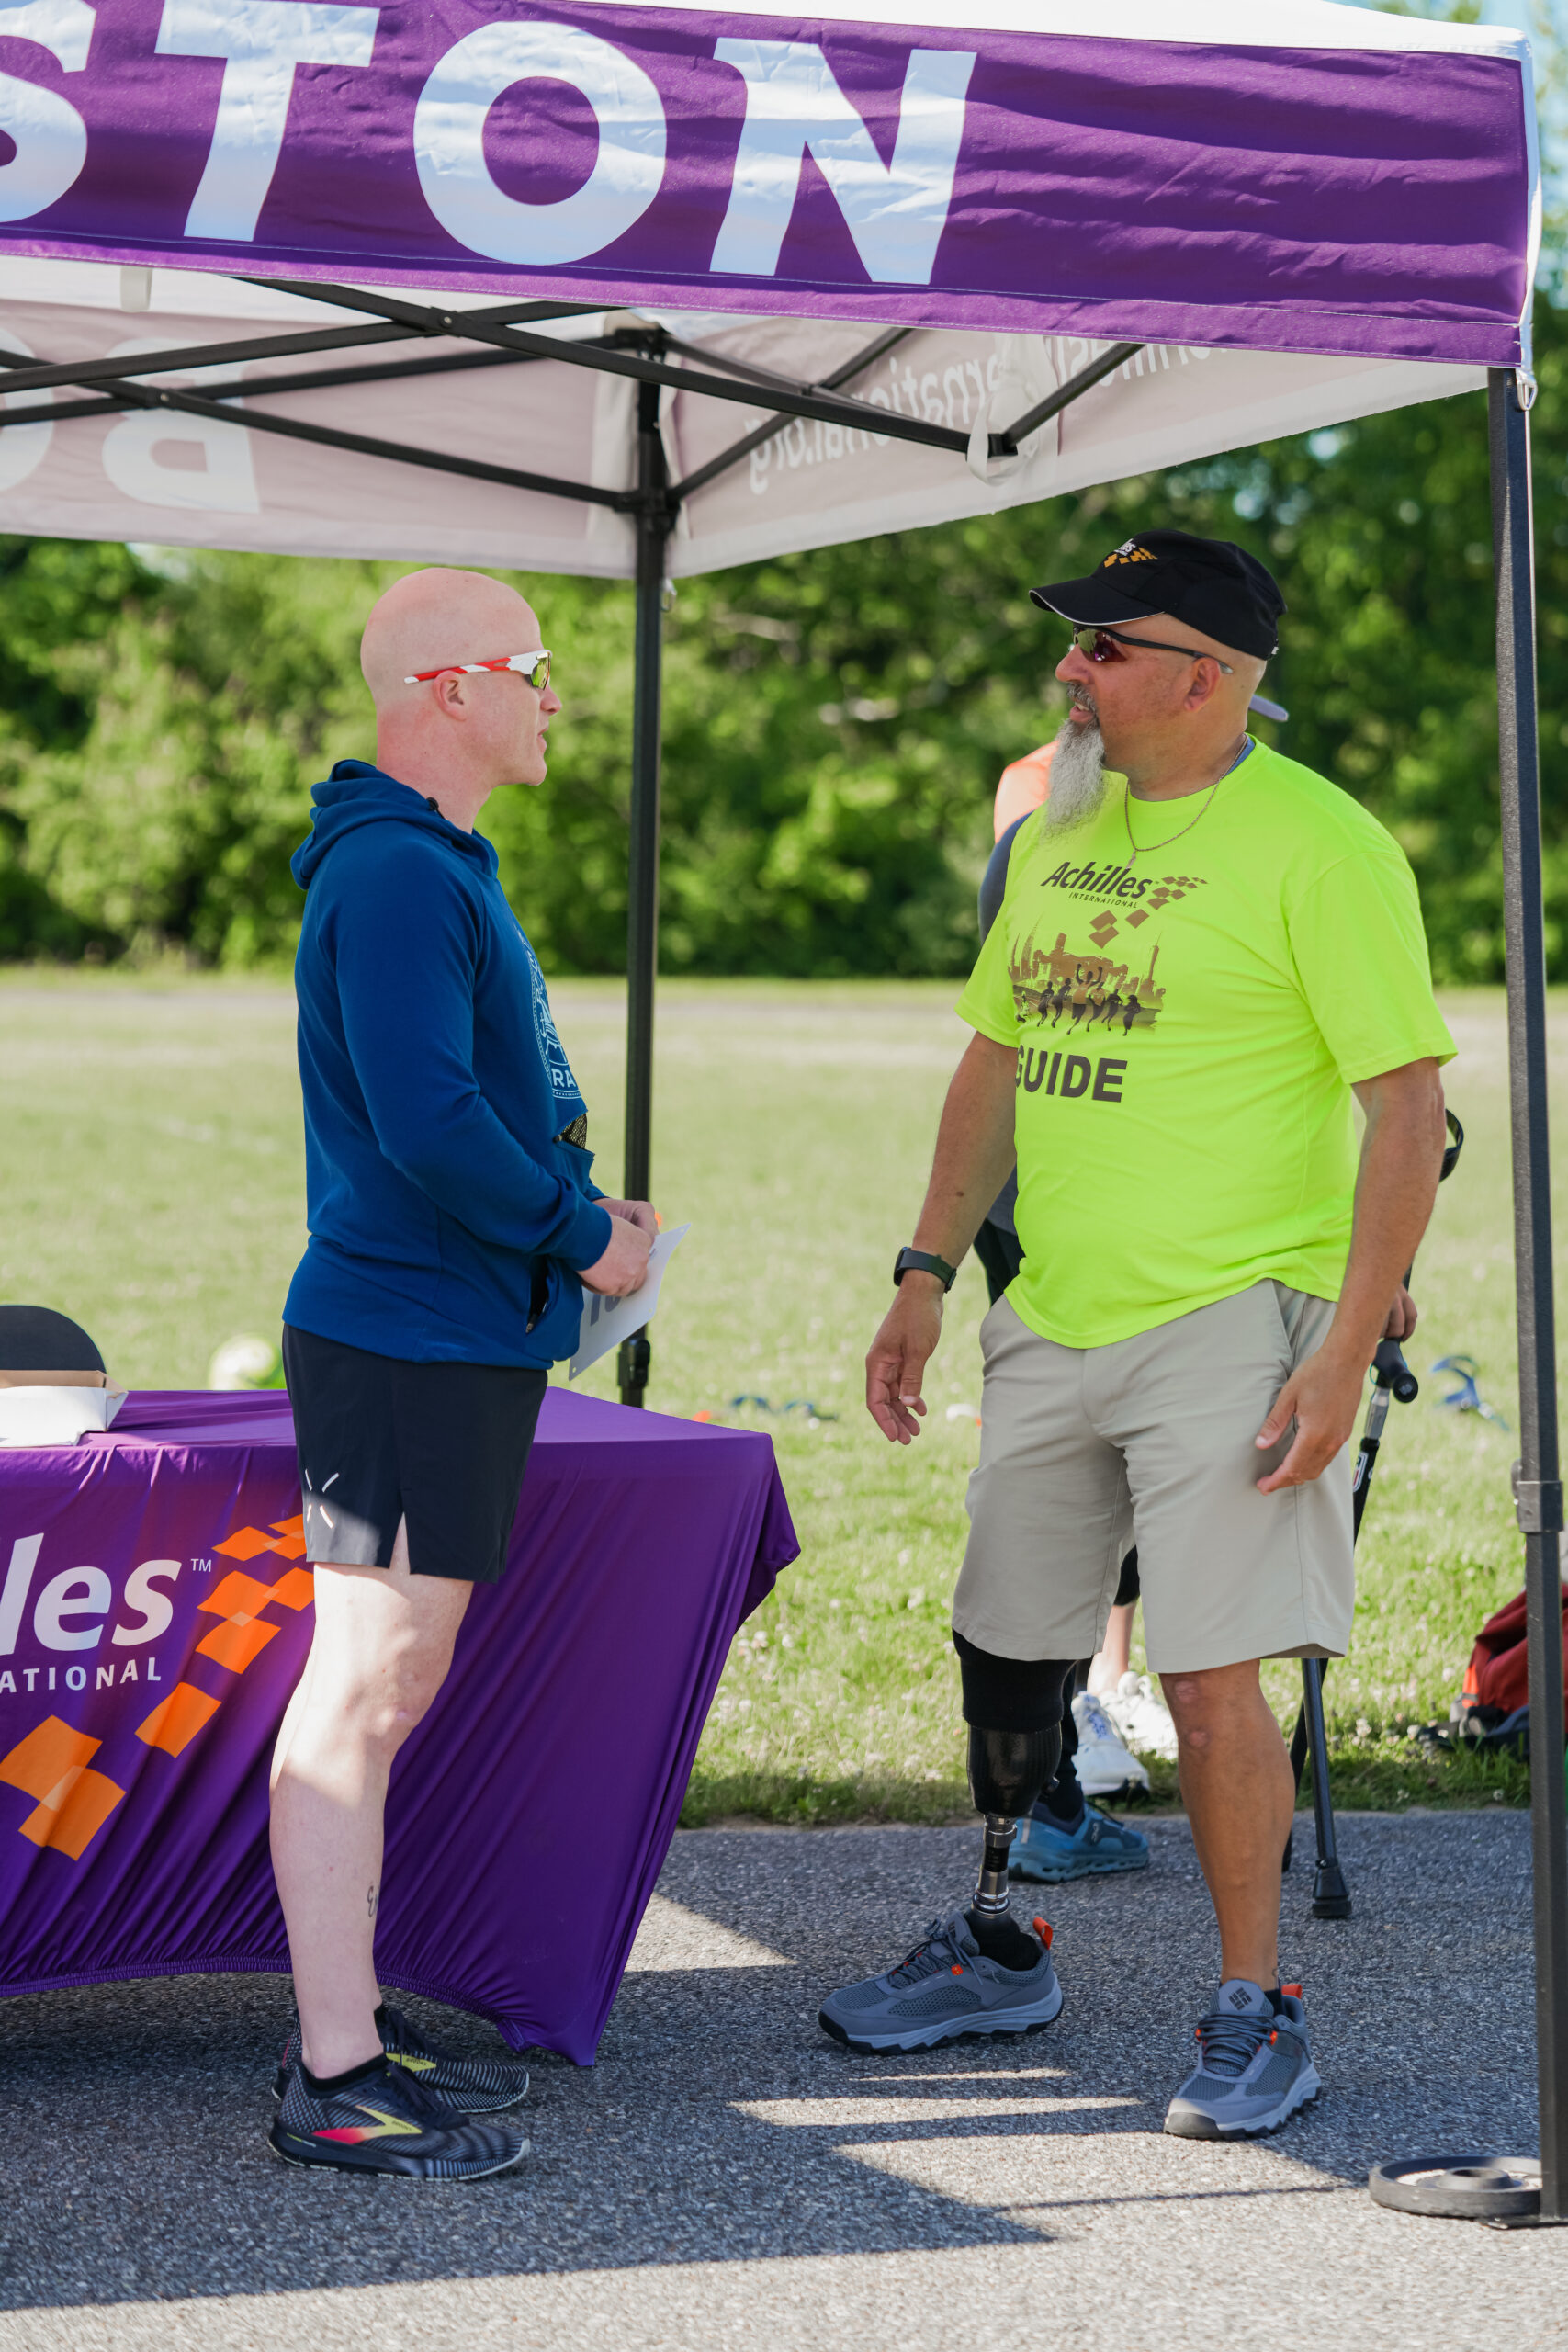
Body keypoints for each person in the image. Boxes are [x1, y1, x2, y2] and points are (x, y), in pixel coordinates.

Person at [822, 529, 1452, 2141]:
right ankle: (997, 1941)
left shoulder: (1324, 847)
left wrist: (1347, 1339)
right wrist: (923, 1272)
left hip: (1242, 1315)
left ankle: (1260, 2009)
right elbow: (993, 1064)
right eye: (1076, 643)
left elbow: (1403, 1113)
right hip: (1057, 1311)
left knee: (1212, 1669)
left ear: (1205, 675)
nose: (1071, 671)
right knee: (1008, 1643)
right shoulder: (1055, 833)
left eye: (1106, 646)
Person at [268, 567, 657, 2180]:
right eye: (536, 668)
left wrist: (574, 1215)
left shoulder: (426, 863)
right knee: (361, 1687)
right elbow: (429, 1124)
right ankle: (332, 2070)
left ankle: (349, 2032)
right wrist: (582, 1234)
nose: (557, 695)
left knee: (395, 1682)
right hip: (404, 1333)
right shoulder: (392, 873)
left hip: (447, 1332)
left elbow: (468, 1097)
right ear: (448, 688)